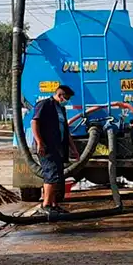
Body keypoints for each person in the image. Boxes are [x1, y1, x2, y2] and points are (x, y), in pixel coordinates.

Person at [31, 85, 79, 216]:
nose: (67, 100)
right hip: (46, 147)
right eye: (67, 98)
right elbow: (34, 122)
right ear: (60, 95)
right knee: (51, 175)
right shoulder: (44, 105)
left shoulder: (61, 109)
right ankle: (46, 204)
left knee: (57, 176)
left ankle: (53, 204)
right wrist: (40, 142)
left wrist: (73, 149)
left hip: (58, 148)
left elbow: (66, 131)